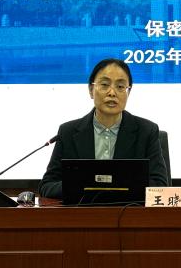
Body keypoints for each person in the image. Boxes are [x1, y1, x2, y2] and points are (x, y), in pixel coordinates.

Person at [40, 58, 168, 199]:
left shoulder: (147, 131)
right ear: (91, 90)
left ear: (128, 92)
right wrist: (81, 185)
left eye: (120, 87)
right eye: (105, 85)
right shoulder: (68, 132)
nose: (112, 93)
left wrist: (114, 186)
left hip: (128, 212)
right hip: (82, 211)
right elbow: (47, 185)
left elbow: (160, 186)